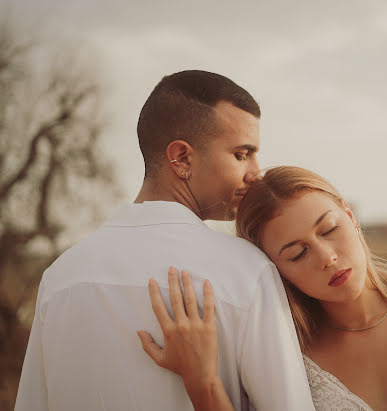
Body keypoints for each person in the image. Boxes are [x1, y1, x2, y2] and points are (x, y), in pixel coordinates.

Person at [15, 72, 315, 410]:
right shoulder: (247, 272)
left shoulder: (60, 278)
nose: (256, 172)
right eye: (242, 154)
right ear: (182, 158)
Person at [142, 166, 387, 410]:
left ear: (351, 218)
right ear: (276, 270)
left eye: (329, 230)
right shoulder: (287, 352)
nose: (326, 258)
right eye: (297, 252)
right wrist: (203, 381)